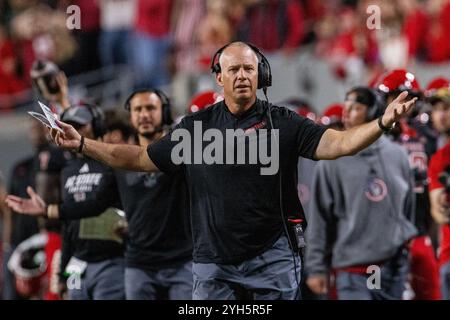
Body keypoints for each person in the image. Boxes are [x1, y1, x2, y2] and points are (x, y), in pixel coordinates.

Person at [44, 42, 417, 300]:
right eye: (233, 69)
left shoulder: (284, 123)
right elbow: (138, 159)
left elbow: (338, 144)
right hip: (213, 262)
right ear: (218, 77)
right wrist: (82, 145)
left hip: (272, 256)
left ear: (261, 75)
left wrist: (382, 122)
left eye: (249, 68)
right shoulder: (196, 128)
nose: (242, 75)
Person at [7, 92, 193, 300]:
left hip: (163, 261)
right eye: (138, 110)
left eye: (150, 108)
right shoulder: (87, 166)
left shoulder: (171, 154)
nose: (144, 115)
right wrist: (48, 211)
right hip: (124, 264)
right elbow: (85, 212)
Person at [305, 87, 417, 300]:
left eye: (355, 108)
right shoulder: (331, 161)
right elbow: (319, 219)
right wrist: (316, 267)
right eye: (346, 107)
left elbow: (407, 207)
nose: (346, 113)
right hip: (354, 270)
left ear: (374, 111)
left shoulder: (398, 155)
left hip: (393, 268)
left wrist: (404, 240)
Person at [428, 92, 450, 299]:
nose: (440, 115)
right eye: (437, 109)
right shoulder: (439, 159)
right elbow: (440, 213)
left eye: (446, 108)